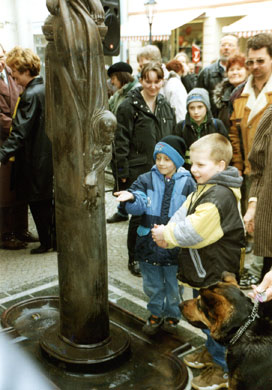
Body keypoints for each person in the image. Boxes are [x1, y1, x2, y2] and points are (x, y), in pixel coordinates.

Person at [151, 133, 245, 390]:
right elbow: (185, 212)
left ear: (220, 166)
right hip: (204, 269)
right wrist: (168, 233)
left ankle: (222, 369)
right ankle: (210, 353)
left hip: (215, 273)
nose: (194, 169)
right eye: (192, 163)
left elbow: (194, 231)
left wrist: (166, 235)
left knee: (216, 323)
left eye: (201, 165)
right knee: (206, 322)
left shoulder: (218, 196)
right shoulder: (207, 187)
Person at [114, 135, 195, 335]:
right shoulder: (145, 179)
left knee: (174, 287)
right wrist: (131, 198)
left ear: (176, 161)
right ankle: (155, 313)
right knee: (152, 285)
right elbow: (139, 202)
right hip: (147, 245)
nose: (161, 163)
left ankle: (172, 314)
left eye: (166, 159)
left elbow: (194, 213)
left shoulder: (188, 184)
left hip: (174, 246)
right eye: (158, 158)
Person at [113, 62, 176, 276]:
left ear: (162, 81)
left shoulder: (165, 104)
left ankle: (156, 253)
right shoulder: (128, 106)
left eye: (157, 81)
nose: (152, 86)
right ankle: (135, 257)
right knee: (139, 216)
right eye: (148, 81)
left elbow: (172, 136)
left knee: (161, 214)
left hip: (164, 168)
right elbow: (120, 143)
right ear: (140, 80)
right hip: (138, 170)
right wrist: (122, 174)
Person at [0, 46, 54, 254]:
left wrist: (3, 154)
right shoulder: (43, 88)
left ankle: (46, 242)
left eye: (15, 74)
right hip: (45, 154)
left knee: (38, 201)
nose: (13, 79)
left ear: (24, 70)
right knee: (45, 201)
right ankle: (51, 240)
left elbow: (20, 130)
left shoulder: (31, 94)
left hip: (34, 157)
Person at [229, 33, 272, 287]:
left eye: (260, 61)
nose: (254, 67)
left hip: (269, 173)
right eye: (251, 62)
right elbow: (234, 134)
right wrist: (237, 166)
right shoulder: (240, 93)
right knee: (251, 225)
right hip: (249, 171)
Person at [0, 43, 38, 249]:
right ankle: (5, 234)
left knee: (21, 187)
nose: (1, 60)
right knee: (5, 191)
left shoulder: (12, 72)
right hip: (5, 138)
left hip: (20, 138)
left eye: (2, 55)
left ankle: (21, 229)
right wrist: (19, 125)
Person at [106, 61, 140, 224]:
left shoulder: (135, 92)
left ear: (120, 77)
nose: (112, 82)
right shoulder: (118, 95)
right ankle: (122, 210)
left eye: (113, 77)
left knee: (127, 177)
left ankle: (130, 210)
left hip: (129, 142)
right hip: (118, 142)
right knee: (120, 177)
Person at [243, 104, 272, 283]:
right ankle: (259, 309)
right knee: (265, 288)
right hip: (270, 216)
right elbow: (257, 169)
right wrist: (252, 206)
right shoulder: (270, 116)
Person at [175, 88, 228, 168]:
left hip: (212, 170)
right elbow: (177, 152)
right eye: (192, 108)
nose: (196, 111)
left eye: (200, 107)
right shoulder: (181, 126)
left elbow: (225, 150)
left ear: (206, 107)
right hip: (188, 171)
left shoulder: (217, 125)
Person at [197, 34, 239, 116]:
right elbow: (198, 99)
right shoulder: (206, 72)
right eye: (223, 45)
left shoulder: (243, 72)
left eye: (230, 45)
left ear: (237, 49)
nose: (226, 48)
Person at [213, 53, 247, 131]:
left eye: (239, 69)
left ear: (247, 71)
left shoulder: (251, 94)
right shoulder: (222, 96)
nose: (235, 72)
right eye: (231, 70)